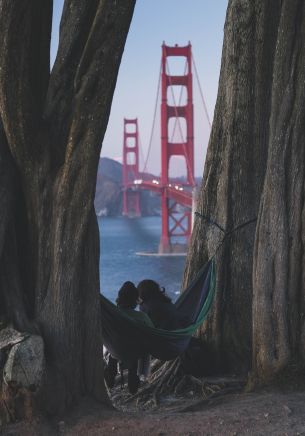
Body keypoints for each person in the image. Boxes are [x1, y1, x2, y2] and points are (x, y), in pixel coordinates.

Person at [104, 281, 153, 394]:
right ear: (135, 300)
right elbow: (153, 332)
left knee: (113, 347)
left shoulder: (113, 314)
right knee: (137, 355)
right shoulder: (142, 317)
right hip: (134, 352)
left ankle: (111, 374)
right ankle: (134, 386)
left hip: (115, 350)